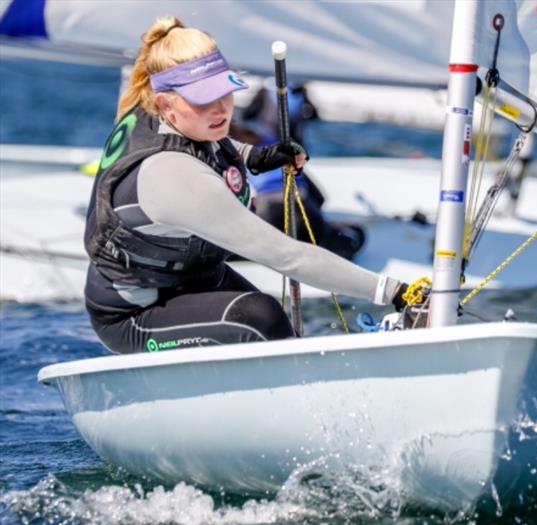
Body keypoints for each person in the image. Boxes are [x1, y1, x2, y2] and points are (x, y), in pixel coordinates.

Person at [83, 16, 409, 354]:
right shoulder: (171, 175)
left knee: (269, 322)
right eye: (203, 98)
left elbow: (211, 148)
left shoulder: (162, 114)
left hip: (191, 278)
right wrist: (394, 292)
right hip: (135, 312)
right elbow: (289, 257)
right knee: (260, 319)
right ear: (166, 102)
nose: (221, 108)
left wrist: (260, 156)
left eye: (224, 92)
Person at [229, 78, 365, 260]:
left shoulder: (240, 154)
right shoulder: (278, 146)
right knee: (350, 237)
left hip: (267, 211)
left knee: (239, 249)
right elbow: (320, 198)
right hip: (304, 206)